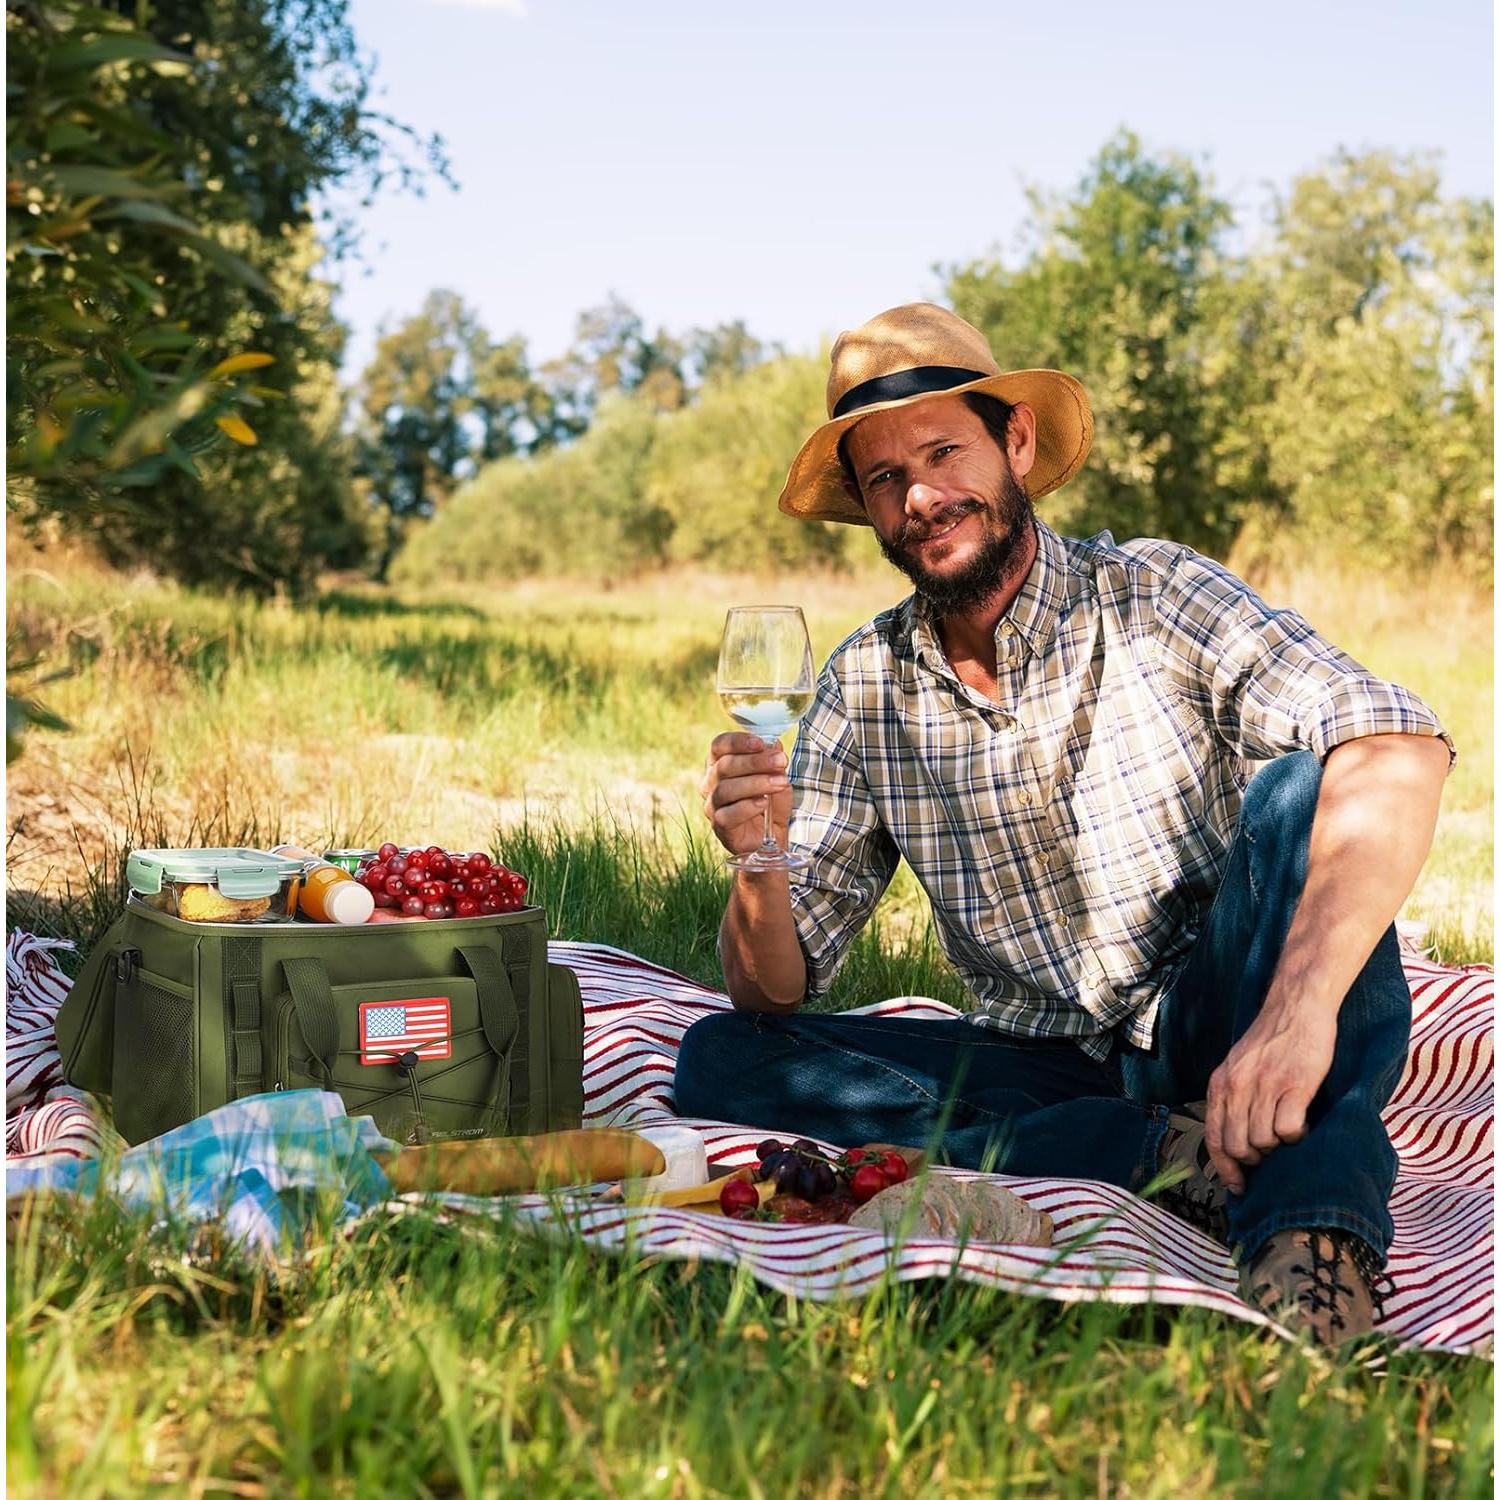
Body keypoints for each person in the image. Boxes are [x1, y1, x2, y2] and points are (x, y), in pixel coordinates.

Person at [674, 303, 1454, 1347]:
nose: (921, 496)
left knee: (1306, 797)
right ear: (865, 510)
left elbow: (1396, 742)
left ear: (1019, 446)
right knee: (721, 1061)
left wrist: (1295, 1014)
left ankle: (1312, 1241)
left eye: (945, 450)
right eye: (883, 477)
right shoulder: (864, 685)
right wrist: (759, 858)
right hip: (1037, 1053)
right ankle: (1144, 1147)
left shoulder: (1152, 594)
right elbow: (776, 982)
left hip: (1213, 1005)